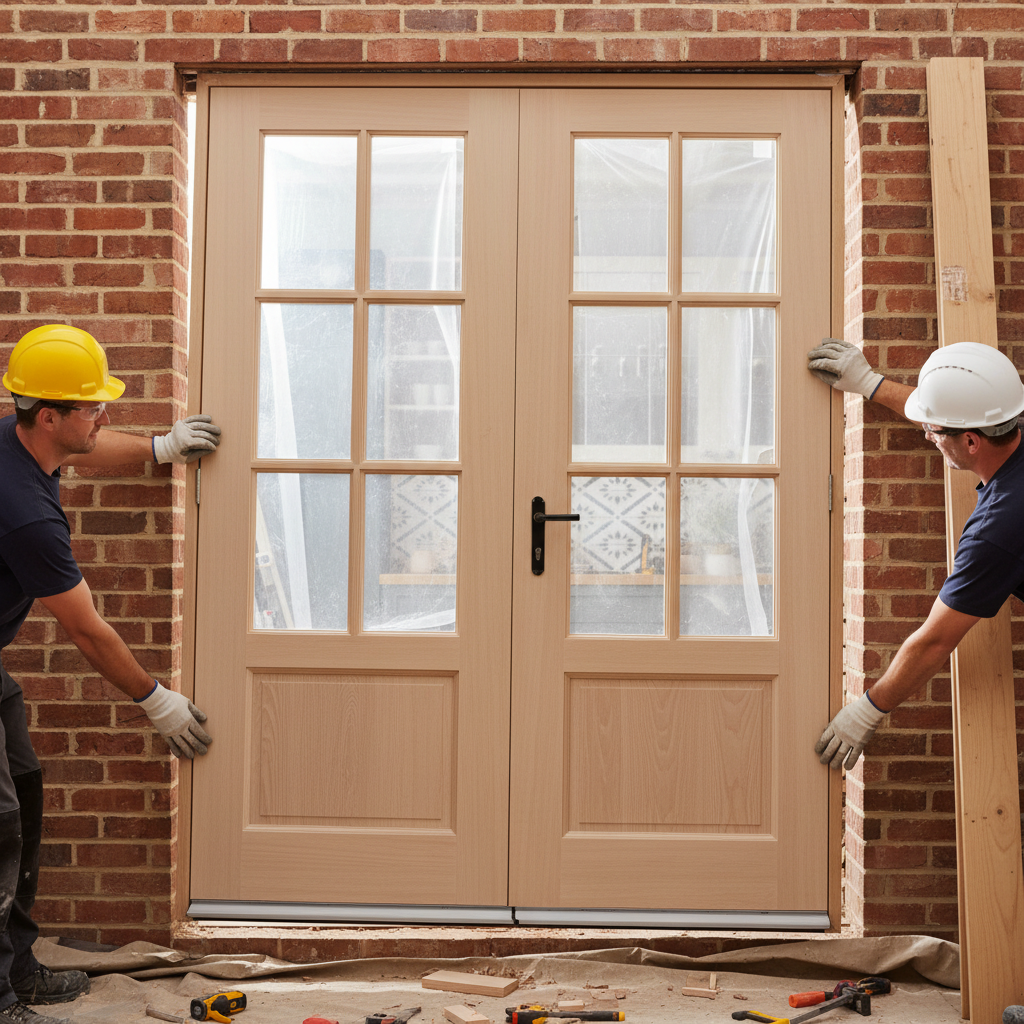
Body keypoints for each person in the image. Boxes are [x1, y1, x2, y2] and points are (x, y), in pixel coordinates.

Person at [0, 324, 221, 1024]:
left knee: (24, 789)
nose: (105, 414)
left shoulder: (19, 439)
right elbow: (87, 630)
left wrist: (161, 449)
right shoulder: (27, 517)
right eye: (92, 406)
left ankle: (19, 965)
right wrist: (156, 702)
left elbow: (90, 452)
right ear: (49, 416)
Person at [807, 337, 1024, 771]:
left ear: (971, 443)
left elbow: (934, 640)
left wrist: (869, 708)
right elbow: (953, 413)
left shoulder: (997, 529)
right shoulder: (1005, 413)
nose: (927, 434)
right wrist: (869, 383)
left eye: (933, 431)